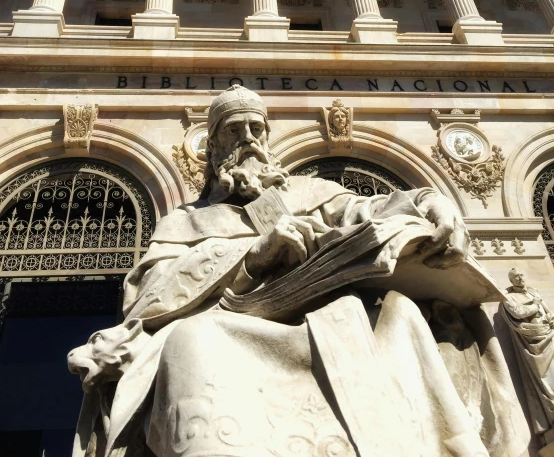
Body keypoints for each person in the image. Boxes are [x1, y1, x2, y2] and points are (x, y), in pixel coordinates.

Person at [68, 86, 529, 457]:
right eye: (234, 131)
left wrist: (432, 200)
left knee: (399, 315)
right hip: (231, 327)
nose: (248, 139)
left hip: (332, 327)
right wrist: (252, 259)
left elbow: (373, 209)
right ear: (213, 149)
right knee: (193, 341)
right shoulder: (185, 220)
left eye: (256, 129)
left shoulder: (312, 191)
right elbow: (147, 300)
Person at [502, 268, 554, 437]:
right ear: (511, 280)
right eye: (515, 276)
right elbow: (518, 313)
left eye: (521, 275)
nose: (519, 278)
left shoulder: (533, 293)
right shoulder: (508, 297)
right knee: (543, 378)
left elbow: (548, 312)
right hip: (533, 343)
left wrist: (550, 318)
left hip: (548, 334)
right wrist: (536, 304)